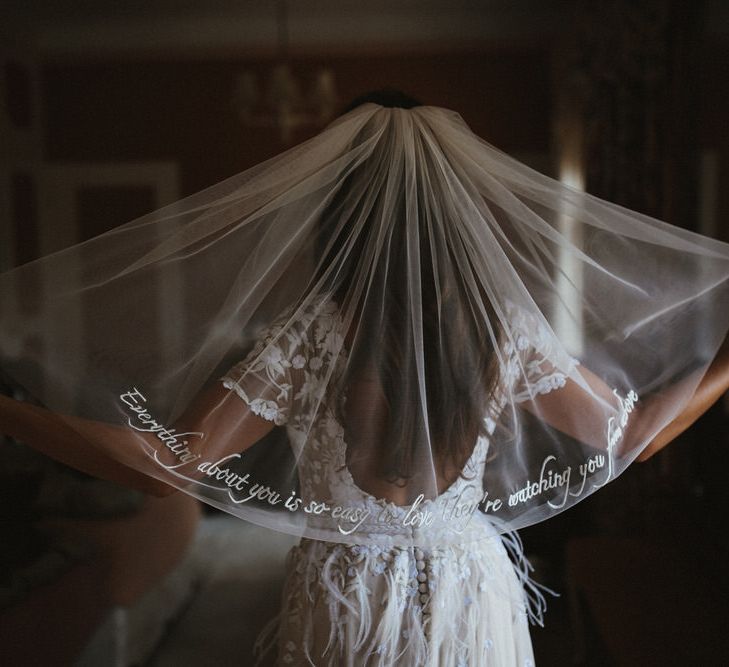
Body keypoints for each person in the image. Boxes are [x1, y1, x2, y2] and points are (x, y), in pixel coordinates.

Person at [1, 89, 728, 666]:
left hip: (344, 597)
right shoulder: (497, 325)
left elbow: (168, 466)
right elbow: (633, 434)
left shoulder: (311, 332)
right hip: (466, 592)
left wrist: (9, 410)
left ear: (335, 207)